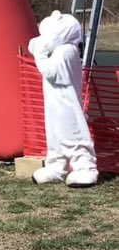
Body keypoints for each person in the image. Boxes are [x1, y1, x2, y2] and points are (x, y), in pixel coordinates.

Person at [28, 10, 99, 187]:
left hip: (66, 102)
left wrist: (40, 54)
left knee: (72, 133)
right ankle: (56, 167)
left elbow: (51, 72)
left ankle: (85, 167)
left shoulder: (66, 51)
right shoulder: (59, 50)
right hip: (54, 102)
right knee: (54, 134)